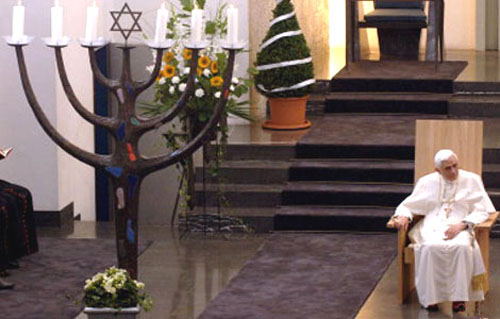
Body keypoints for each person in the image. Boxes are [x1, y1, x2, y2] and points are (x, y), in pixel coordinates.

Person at [391, 149, 495, 312]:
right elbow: (408, 205)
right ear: (437, 170)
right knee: (430, 247)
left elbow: (483, 210)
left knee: (461, 247)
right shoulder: (427, 182)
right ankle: (431, 299)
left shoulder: (471, 180)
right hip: (433, 224)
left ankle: (459, 298)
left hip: (460, 223)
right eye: (448, 168)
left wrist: (463, 224)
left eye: (455, 166)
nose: (453, 171)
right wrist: (404, 216)